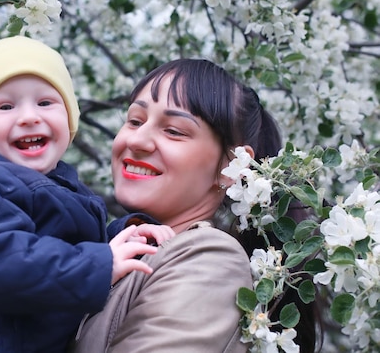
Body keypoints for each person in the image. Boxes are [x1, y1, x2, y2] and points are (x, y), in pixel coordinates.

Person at [0, 36, 174, 353]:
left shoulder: (53, 183)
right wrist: (99, 265)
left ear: (70, 119)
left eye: (45, 103)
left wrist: (126, 235)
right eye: (5, 106)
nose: (28, 117)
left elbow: (63, 248)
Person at [70, 59, 318, 352]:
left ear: (231, 167)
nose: (138, 140)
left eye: (173, 130)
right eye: (135, 120)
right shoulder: (114, 251)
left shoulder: (209, 260)